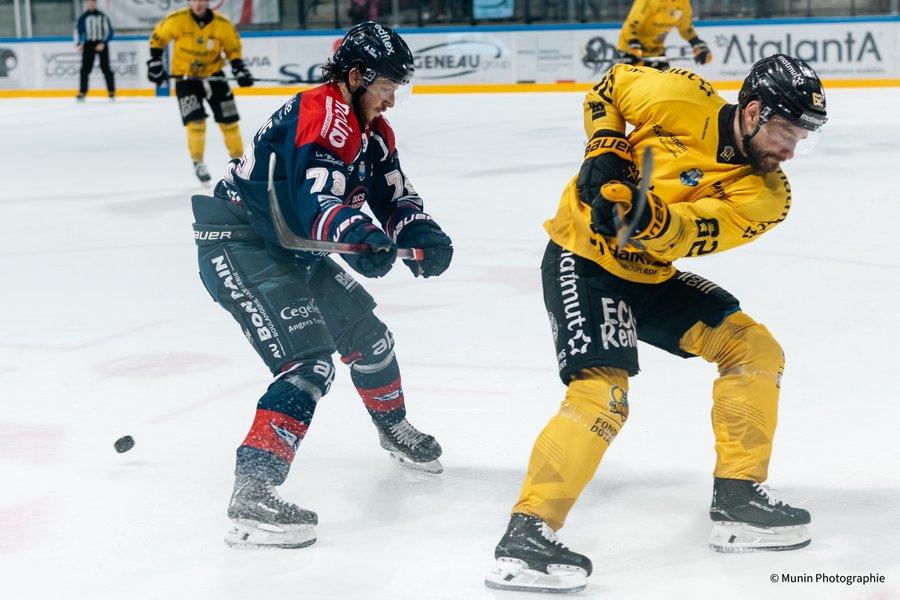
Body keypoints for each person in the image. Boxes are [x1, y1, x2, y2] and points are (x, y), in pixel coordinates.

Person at [484, 54, 827, 593]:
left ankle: (738, 497)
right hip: (583, 259)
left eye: (801, 137)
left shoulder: (767, 196)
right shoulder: (680, 96)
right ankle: (526, 535)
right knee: (603, 395)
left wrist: (646, 219)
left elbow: (690, 231)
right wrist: (605, 146)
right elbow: (611, 86)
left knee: (754, 349)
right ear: (753, 111)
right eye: (786, 131)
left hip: (648, 275)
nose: (790, 149)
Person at [190, 21, 454, 549]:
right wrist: (358, 236)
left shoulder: (372, 130)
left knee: (371, 340)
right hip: (240, 243)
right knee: (308, 363)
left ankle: (393, 429)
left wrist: (419, 232)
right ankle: (252, 492)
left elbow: (394, 196)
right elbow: (317, 202)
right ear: (356, 77)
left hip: (290, 247)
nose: (391, 101)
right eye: (386, 87)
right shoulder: (322, 115)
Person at [146, 0, 254, 185]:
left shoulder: (222, 24)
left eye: (202, 0)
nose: (198, 4)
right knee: (196, 123)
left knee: (229, 123)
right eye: (195, 0)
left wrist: (239, 69)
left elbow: (233, 50)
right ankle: (198, 162)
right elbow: (158, 38)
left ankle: (241, 164)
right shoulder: (177, 20)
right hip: (186, 79)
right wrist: (155, 62)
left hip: (214, 77)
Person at [617, 0, 713, 69]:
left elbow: (686, 29)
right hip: (631, 50)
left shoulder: (683, 3)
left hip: (656, 51)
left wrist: (697, 44)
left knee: (666, 87)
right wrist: (633, 46)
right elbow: (631, 25)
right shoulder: (649, 1)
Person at [74, 0, 115, 101]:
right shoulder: (83, 17)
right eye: (88, 3)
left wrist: (103, 43)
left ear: (95, 3)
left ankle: (111, 91)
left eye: (92, 2)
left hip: (101, 43)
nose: (90, 4)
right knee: (85, 69)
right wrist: (79, 43)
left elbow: (109, 32)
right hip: (88, 44)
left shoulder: (102, 16)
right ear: (86, 4)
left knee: (105, 67)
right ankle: (82, 92)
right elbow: (77, 31)